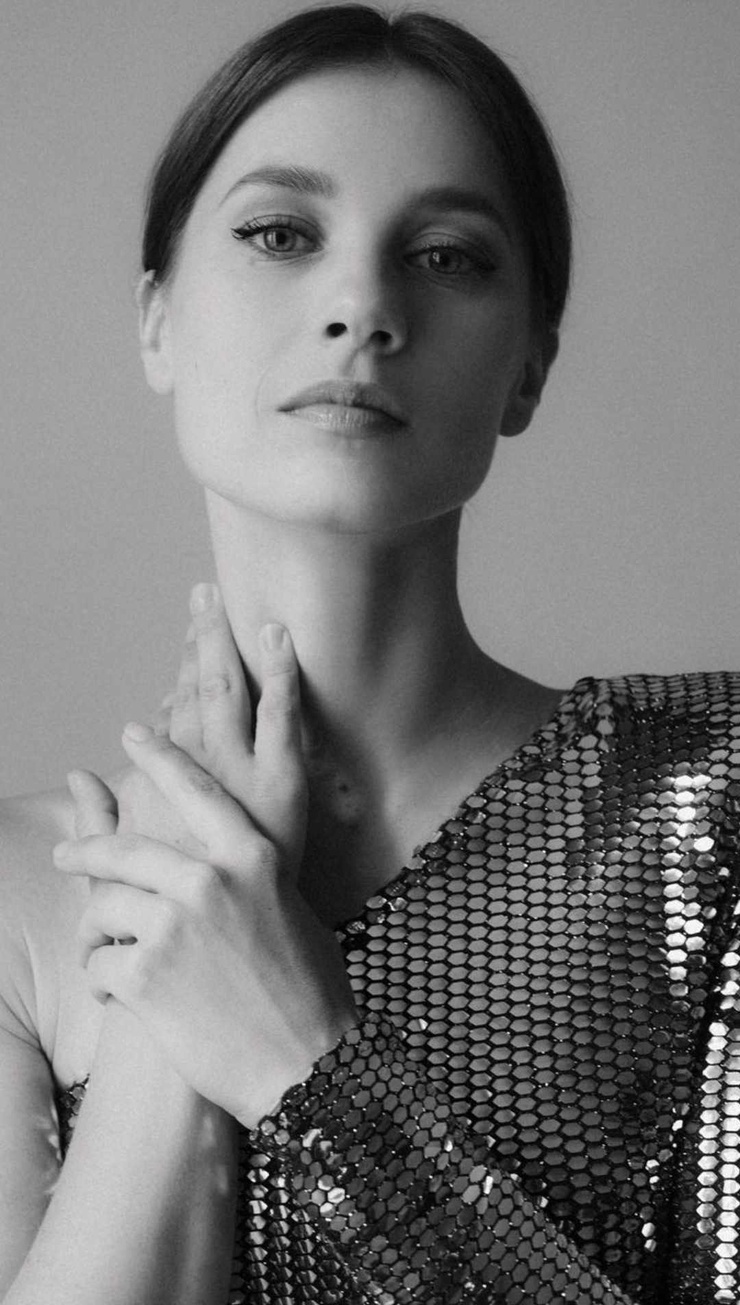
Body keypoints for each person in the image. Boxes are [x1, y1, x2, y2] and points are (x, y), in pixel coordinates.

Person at [0, 5, 738, 1302]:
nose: (361, 306)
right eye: (281, 234)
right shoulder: (21, 893)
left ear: (530, 367)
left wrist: (300, 1059)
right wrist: (190, 935)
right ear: (157, 320)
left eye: (447, 256)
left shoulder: (713, 800)